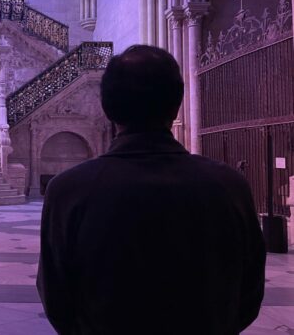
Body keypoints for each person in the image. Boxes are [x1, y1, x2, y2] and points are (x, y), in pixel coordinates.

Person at [37, 45, 265, 335]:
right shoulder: (230, 186)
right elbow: (249, 293)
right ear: (177, 104)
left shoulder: (68, 191)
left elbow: (57, 299)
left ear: (106, 108)